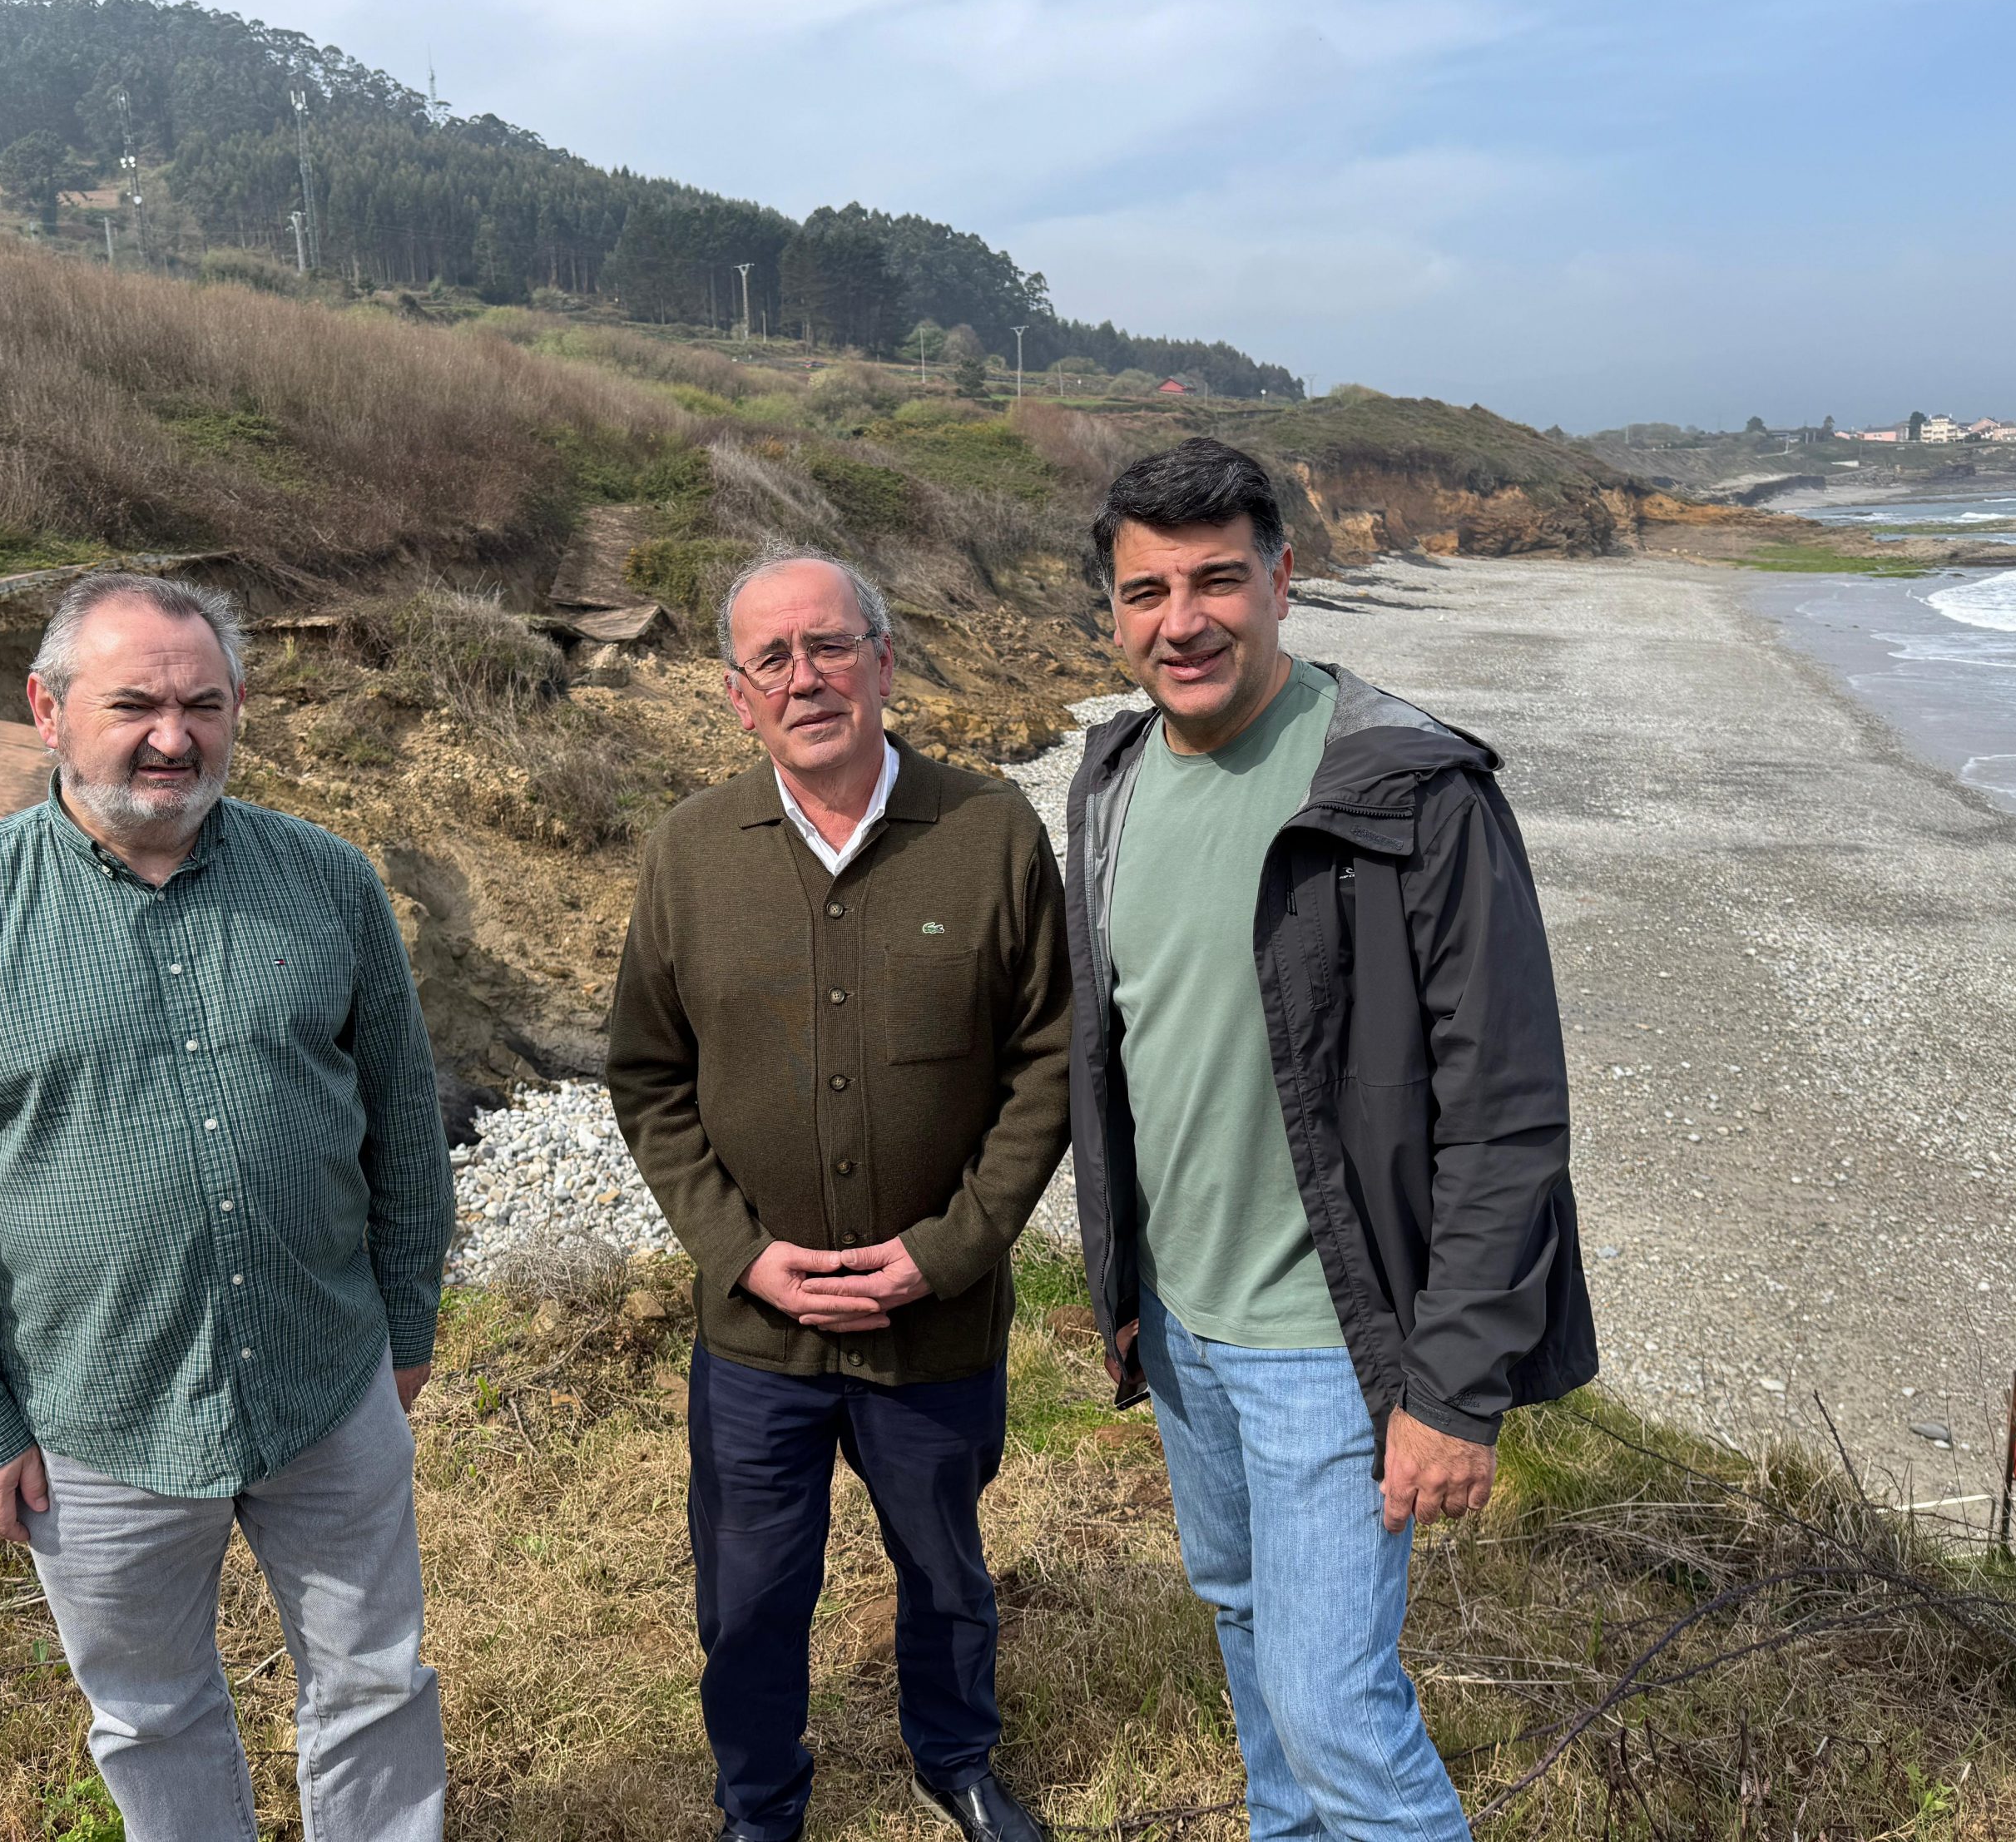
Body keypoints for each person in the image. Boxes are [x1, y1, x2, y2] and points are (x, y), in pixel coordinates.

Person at [0, 572, 453, 1842]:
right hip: (92, 1416)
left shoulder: (330, 881)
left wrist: (404, 1331)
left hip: (329, 1385)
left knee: (374, 1680)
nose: (172, 736)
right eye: (135, 703)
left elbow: (404, 1125)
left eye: (202, 703)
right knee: (149, 1712)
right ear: (49, 709)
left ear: (237, 708)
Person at [1064, 440, 1597, 1840]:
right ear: (1112, 614)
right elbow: (1121, 1058)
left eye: (1218, 580)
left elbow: (1507, 1111)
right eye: (1146, 591)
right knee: (1248, 1645)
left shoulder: (1412, 788)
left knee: (1336, 1714)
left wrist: (1453, 1388)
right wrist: (1123, 1292)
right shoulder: (1109, 783)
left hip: (1332, 1346)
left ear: (1284, 580)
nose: (1182, 619)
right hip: (1185, 1331)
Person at [607, 547, 1072, 1842]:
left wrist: (953, 1249)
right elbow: (647, 1076)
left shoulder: (991, 830)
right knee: (749, 1584)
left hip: (937, 1318)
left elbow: (1050, 1060)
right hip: (756, 1333)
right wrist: (738, 1253)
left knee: (945, 1561)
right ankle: (760, 1799)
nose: (806, 676)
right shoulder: (691, 851)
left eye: (830, 646)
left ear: (883, 658)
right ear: (735, 692)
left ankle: (956, 1756)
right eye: (774, 658)